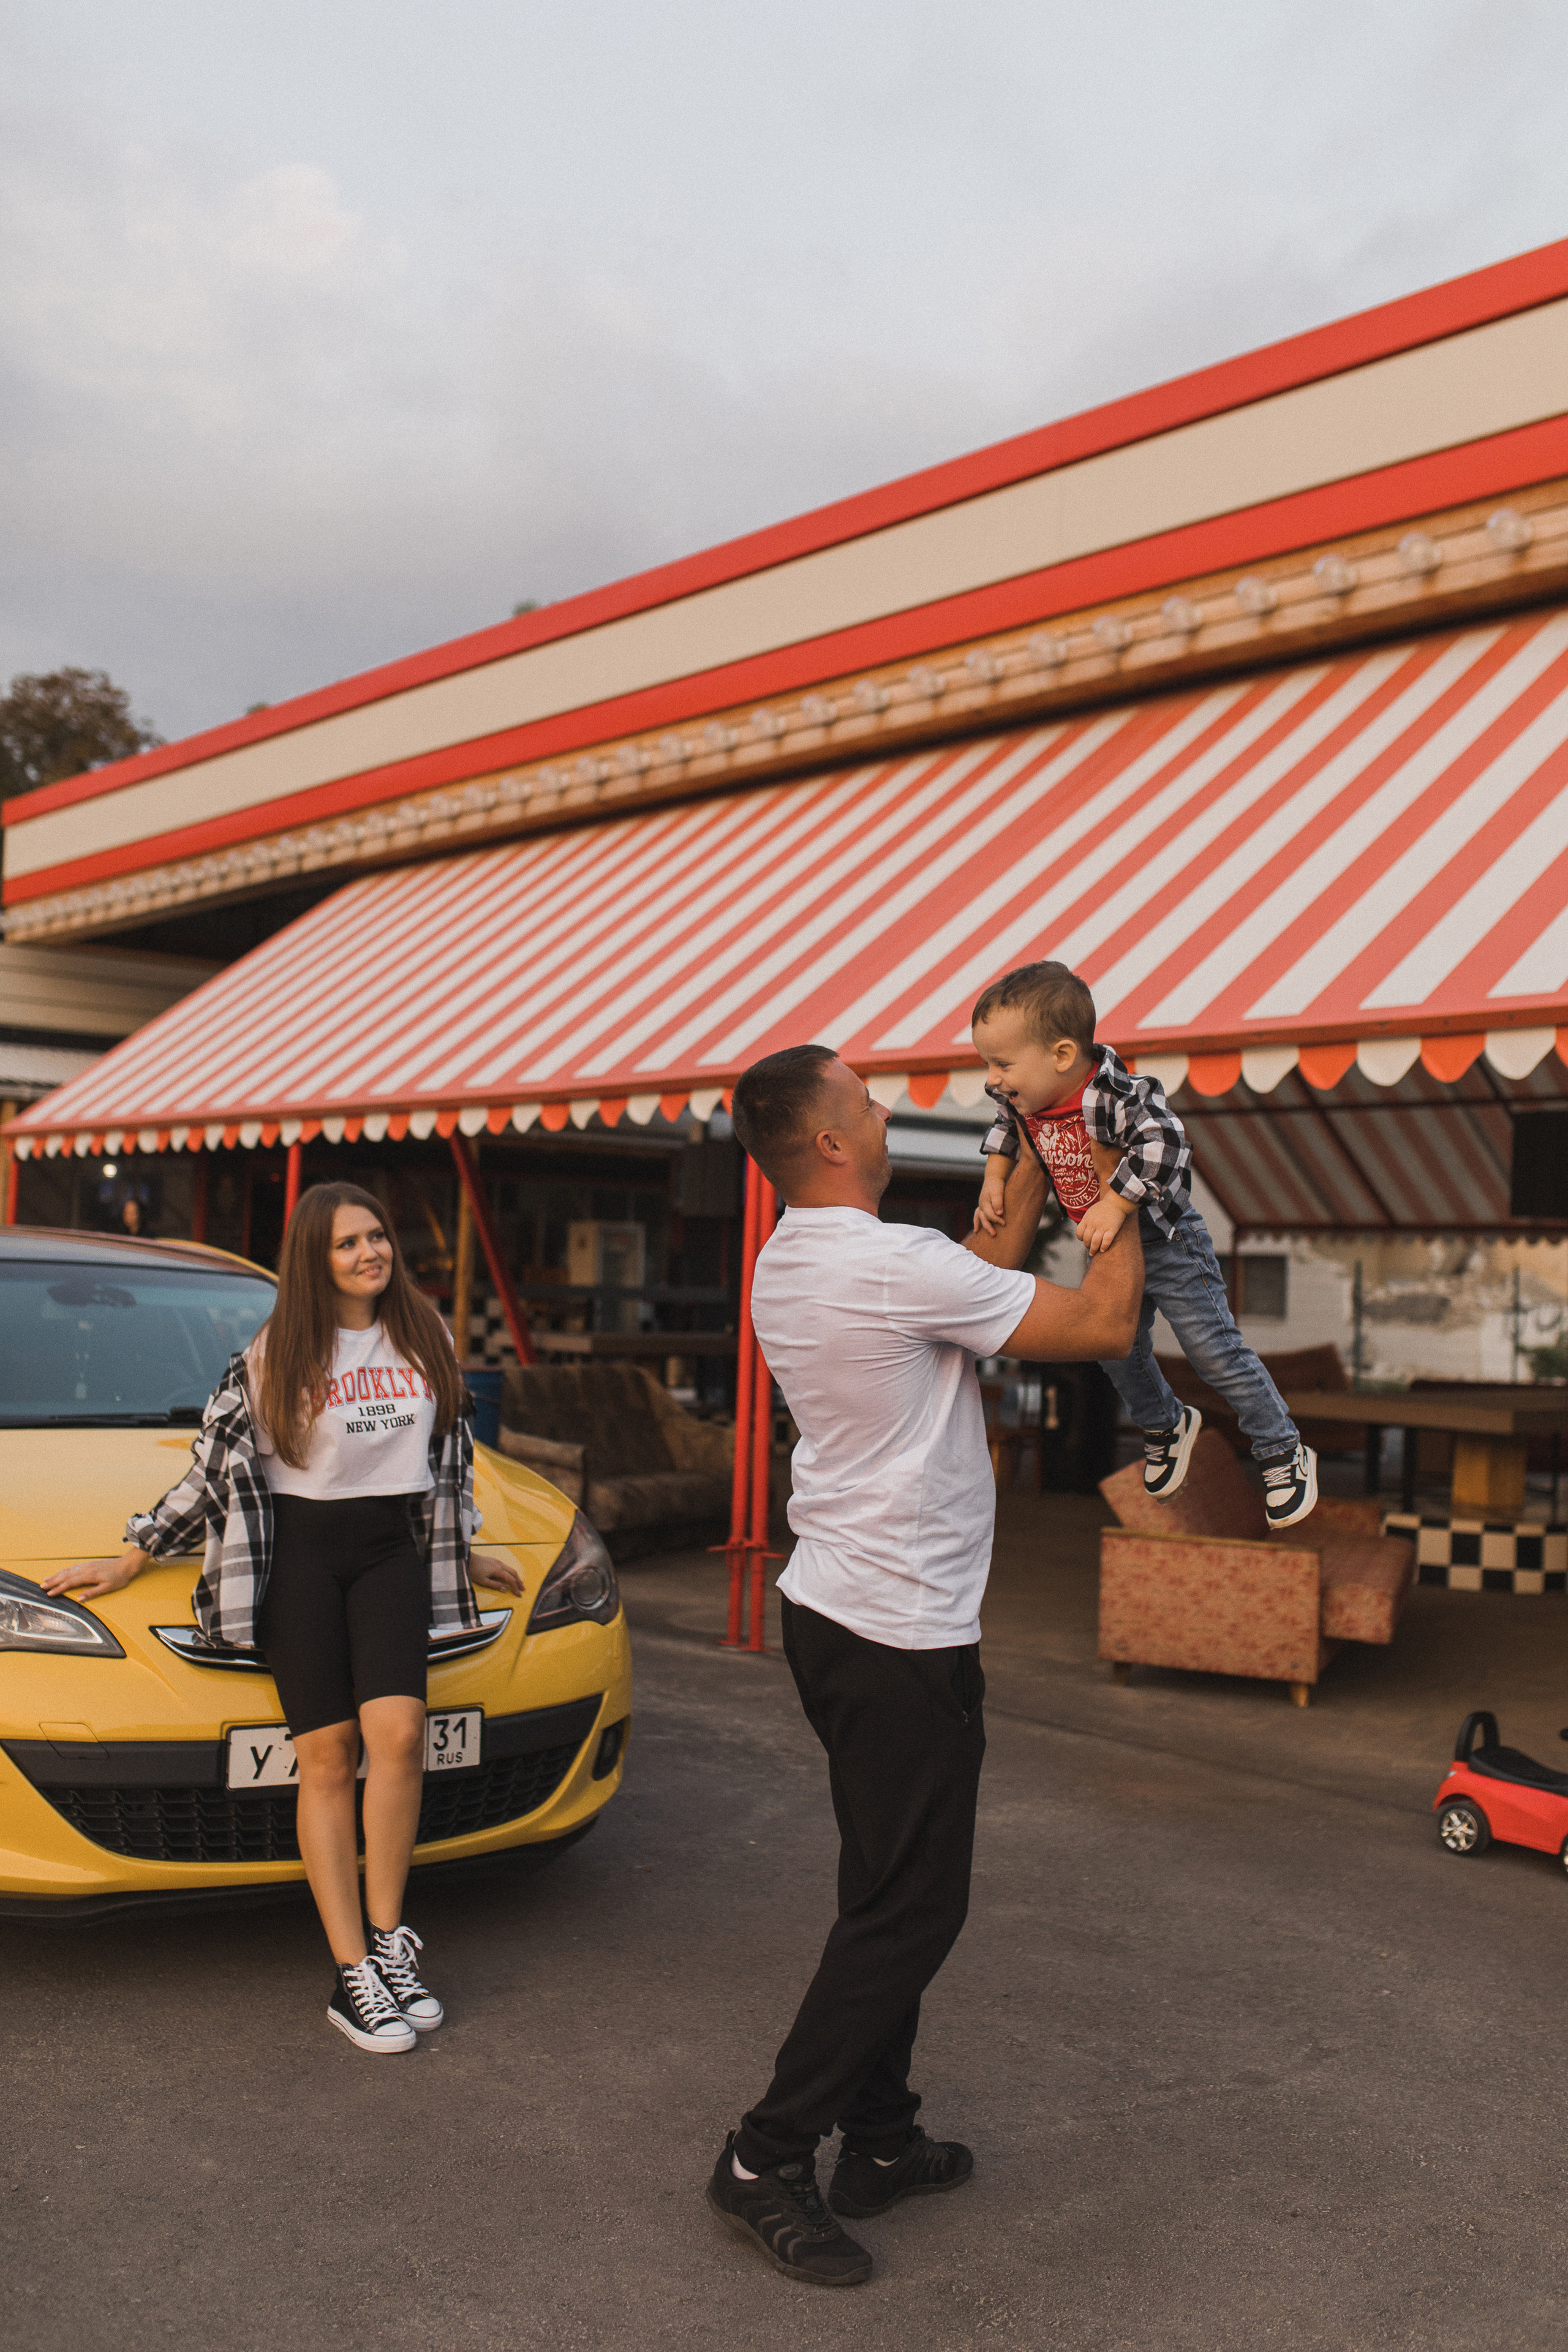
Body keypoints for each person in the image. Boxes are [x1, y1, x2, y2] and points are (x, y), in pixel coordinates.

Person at [707, 1045, 1142, 2289]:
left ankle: (881, 2141)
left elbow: (966, 1285)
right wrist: (1114, 1186)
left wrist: (1017, 1161)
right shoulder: (888, 1265)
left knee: (878, 1885)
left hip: (834, 1615)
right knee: (914, 1907)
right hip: (898, 1634)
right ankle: (763, 2154)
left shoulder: (796, 1258)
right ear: (833, 1142)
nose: (887, 1105)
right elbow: (1105, 1319)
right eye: (866, 1099)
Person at [43, 1183, 524, 2054]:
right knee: (330, 1756)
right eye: (348, 1244)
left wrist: (467, 1549)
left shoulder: (428, 1337)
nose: (370, 1254)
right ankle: (350, 1973)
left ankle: (389, 1941)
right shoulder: (274, 1354)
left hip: (390, 1557)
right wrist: (135, 1552)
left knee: (402, 1738)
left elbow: (447, 1461)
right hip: (300, 1559)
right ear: (316, 1258)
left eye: (378, 1236)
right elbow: (211, 1472)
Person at [973, 960, 1317, 1529]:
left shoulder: (1118, 1093)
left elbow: (1169, 1147)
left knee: (1213, 1353)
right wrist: (993, 1180)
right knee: (1113, 1348)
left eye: (1002, 1063)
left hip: (1169, 1242)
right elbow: (1007, 1132)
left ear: (1061, 1055)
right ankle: (1165, 1424)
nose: (992, 1078)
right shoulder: (1023, 1100)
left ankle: (1281, 1451)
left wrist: (1116, 1203)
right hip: (1106, 1247)